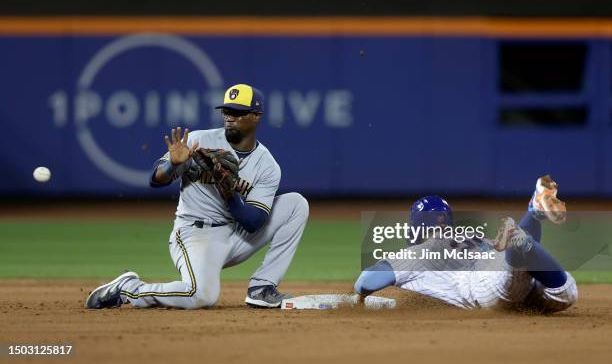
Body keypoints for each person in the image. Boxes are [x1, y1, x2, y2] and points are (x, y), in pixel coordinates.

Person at [86, 84, 309, 309]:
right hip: (196, 234)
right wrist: (172, 165)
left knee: (296, 204)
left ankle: (262, 287)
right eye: (227, 112)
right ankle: (129, 288)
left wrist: (229, 192)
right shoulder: (198, 141)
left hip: (237, 234)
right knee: (202, 296)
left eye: (238, 113)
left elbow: (253, 222)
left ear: (256, 116)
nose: (230, 118)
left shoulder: (267, 165)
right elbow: (155, 180)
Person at [354, 175, 577, 313]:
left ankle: (530, 222)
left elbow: (367, 280)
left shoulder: (419, 252)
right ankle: (533, 216)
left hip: (487, 282)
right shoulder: (472, 238)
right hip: (506, 265)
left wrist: (360, 296)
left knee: (518, 267)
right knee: (565, 294)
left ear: (415, 227)